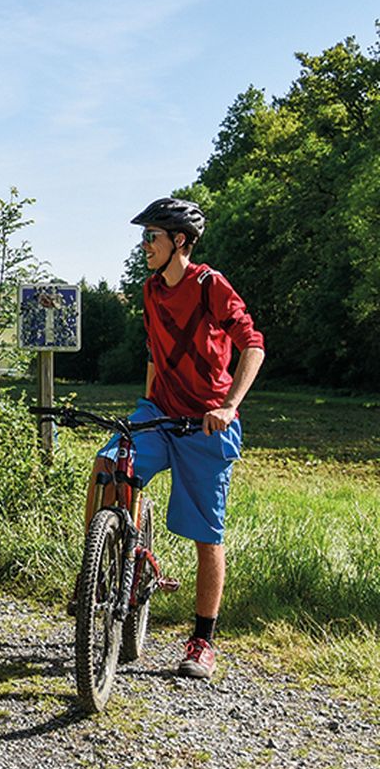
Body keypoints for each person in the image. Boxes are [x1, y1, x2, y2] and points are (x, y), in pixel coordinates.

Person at [82, 197, 264, 680]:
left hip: (207, 423)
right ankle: (103, 566)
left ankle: (202, 640)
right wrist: (144, 412)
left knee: (208, 535)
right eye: (144, 237)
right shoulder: (149, 290)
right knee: (107, 468)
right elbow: (154, 355)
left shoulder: (209, 285)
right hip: (159, 414)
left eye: (151, 237)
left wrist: (228, 406)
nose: (143, 245)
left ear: (178, 241)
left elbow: (253, 344)